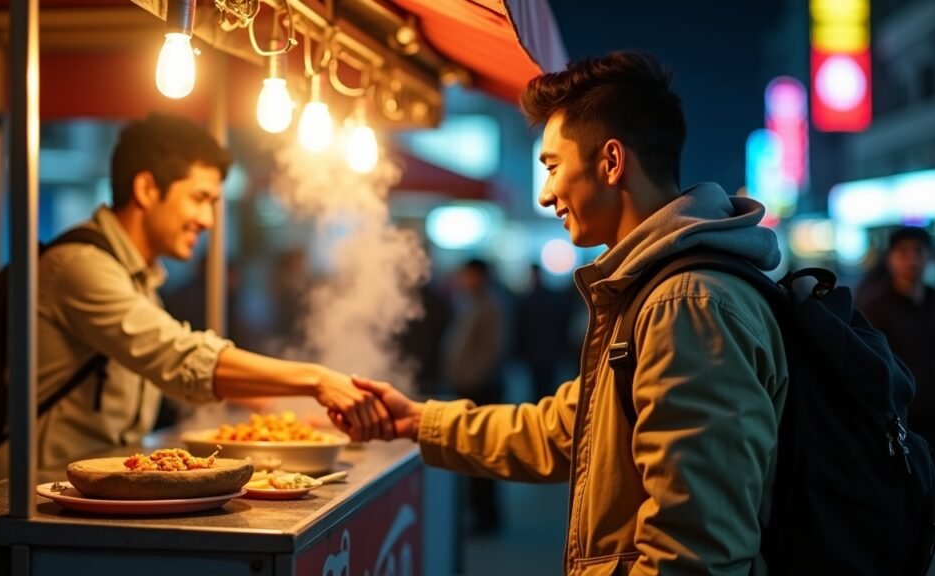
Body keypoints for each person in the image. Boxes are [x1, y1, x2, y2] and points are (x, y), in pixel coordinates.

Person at [332, 51, 789, 574]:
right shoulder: (652, 288)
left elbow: (695, 555)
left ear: (611, 162)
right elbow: (565, 429)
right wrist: (418, 420)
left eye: (551, 166)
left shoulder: (685, 305)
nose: (547, 193)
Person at [0, 113, 391, 480]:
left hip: (98, 487)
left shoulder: (138, 279)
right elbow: (180, 358)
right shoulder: (80, 267)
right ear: (146, 188)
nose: (208, 220)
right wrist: (316, 379)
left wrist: (289, 409)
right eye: (199, 198)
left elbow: (176, 363)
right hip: (37, 493)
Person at [858, 226, 935, 448]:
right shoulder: (872, 307)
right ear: (890, 258)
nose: (912, 260)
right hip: (900, 425)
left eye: (918, 252)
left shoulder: (934, 300)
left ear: (929, 257)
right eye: (903, 252)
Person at [441, 258, 505, 534]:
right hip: (468, 386)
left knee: (483, 453)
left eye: (467, 275)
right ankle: (479, 513)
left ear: (479, 276)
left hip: (481, 389)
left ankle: (486, 517)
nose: (463, 280)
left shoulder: (491, 305)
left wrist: (471, 378)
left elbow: (493, 349)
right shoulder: (470, 302)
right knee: (471, 454)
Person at [514, 263, 572, 399]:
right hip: (548, 350)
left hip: (534, 350)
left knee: (537, 386)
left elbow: (522, 327)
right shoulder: (552, 298)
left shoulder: (527, 299)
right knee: (548, 386)